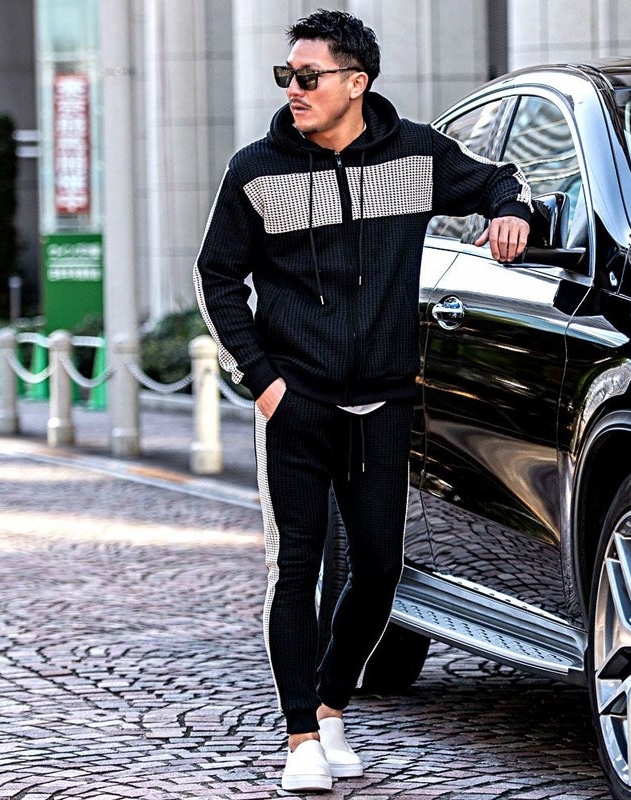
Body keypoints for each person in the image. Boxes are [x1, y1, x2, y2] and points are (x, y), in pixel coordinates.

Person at [193, 9, 531, 793]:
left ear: (356, 82)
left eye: (308, 76)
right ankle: (300, 736)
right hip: (296, 401)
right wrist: (264, 382)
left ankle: (333, 706)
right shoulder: (256, 171)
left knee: (380, 569)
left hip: (382, 401)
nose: (293, 88)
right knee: (296, 568)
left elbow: (497, 180)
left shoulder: (415, 155)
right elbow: (217, 278)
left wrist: (511, 211)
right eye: (287, 75)